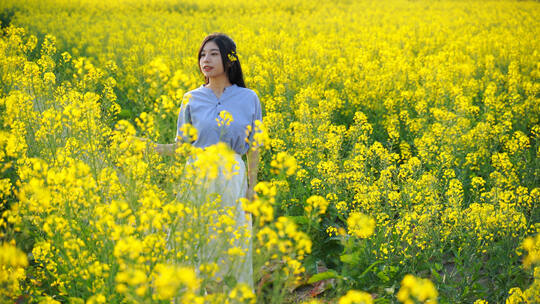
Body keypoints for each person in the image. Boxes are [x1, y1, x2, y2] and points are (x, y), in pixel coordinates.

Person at [150, 33, 262, 292]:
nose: (206, 60)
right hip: (198, 175)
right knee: (193, 237)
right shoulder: (191, 98)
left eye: (213, 54)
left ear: (229, 59)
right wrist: (150, 148)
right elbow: (182, 147)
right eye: (202, 54)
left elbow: (254, 147)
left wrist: (252, 186)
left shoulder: (249, 98)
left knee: (231, 240)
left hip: (233, 176)